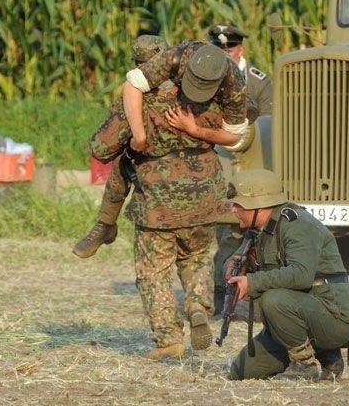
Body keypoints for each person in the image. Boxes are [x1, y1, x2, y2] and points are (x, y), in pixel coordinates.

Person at [92, 46, 232, 359]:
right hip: (205, 196)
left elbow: (100, 148)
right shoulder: (202, 94)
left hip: (158, 203)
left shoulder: (134, 103)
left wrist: (133, 135)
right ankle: (197, 305)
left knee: (153, 272)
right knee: (197, 257)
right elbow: (234, 128)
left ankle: (169, 340)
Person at [224, 168, 349, 381]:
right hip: (293, 320)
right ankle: (323, 354)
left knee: (273, 299)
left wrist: (252, 282)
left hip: (332, 316)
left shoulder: (297, 224)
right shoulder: (259, 231)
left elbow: (302, 275)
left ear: (258, 205)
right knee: (241, 371)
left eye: (238, 205)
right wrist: (235, 264)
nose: (233, 210)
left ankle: (306, 364)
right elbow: (241, 259)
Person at [72, 34, 169, 258]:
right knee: (123, 159)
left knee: (122, 160)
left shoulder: (140, 96)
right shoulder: (187, 89)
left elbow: (100, 148)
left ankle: (106, 222)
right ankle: (105, 224)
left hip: (167, 172)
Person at [207, 22, 275, 314]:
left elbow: (271, 125)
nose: (225, 53)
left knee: (258, 235)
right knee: (226, 235)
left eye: (230, 47)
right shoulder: (204, 77)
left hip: (254, 164)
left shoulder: (257, 82)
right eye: (218, 48)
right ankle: (223, 299)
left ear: (240, 49)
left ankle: (259, 303)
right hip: (219, 162)